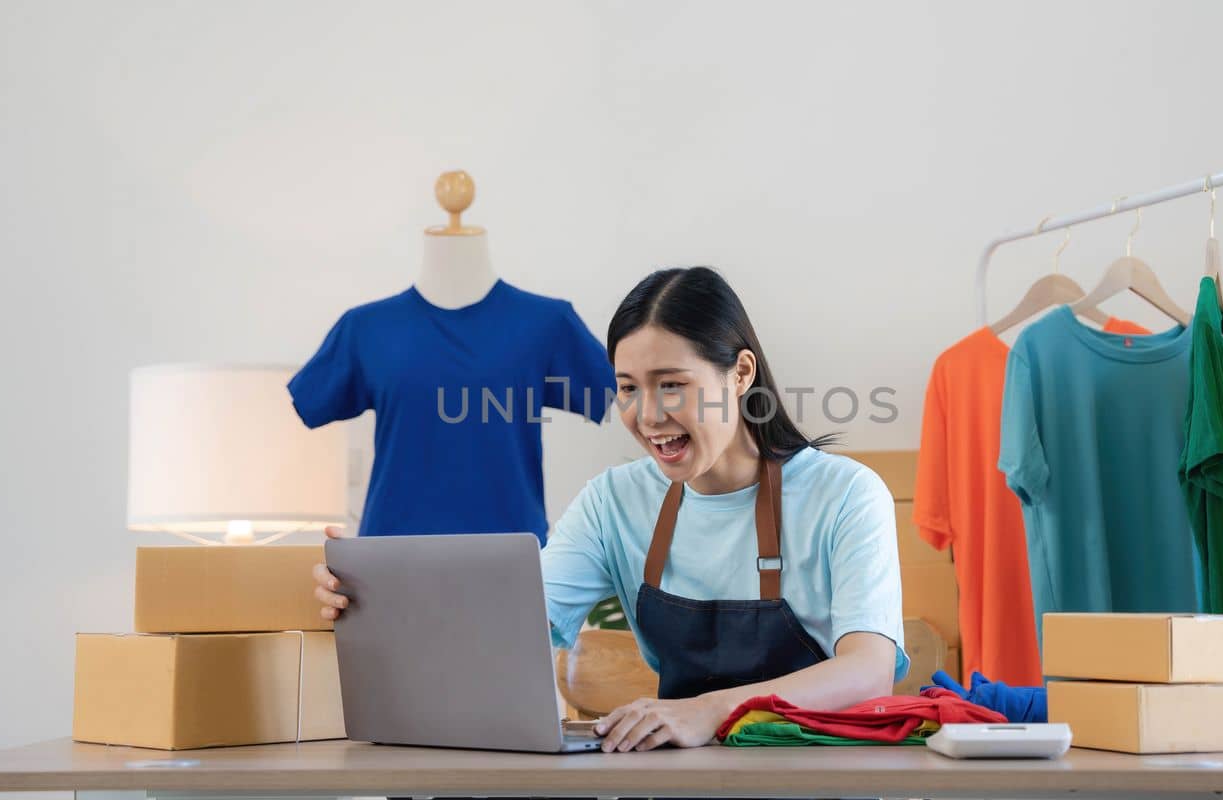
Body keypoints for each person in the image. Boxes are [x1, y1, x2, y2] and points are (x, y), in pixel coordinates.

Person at [312, 266, 907, 752]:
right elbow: (508, 623)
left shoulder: (845, 495)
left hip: (821, 782)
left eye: (671, 384)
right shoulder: (613, 502)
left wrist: (709, 713)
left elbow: (868, 670)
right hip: (679, 784)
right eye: (627, 387)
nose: (647, 415)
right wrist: (372, 599)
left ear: (740, 373)